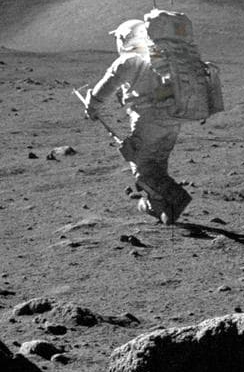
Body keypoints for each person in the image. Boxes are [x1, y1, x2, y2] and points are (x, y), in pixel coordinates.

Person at [78, 17, 193, 224]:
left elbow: (106, 87)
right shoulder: (159, 56)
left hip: (148, 121)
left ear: (123, 39)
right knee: (156, 165)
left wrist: (92, 107)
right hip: (172, 121)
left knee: (141, 169)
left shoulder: (128, 60)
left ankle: (176, 196)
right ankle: (159, 208)